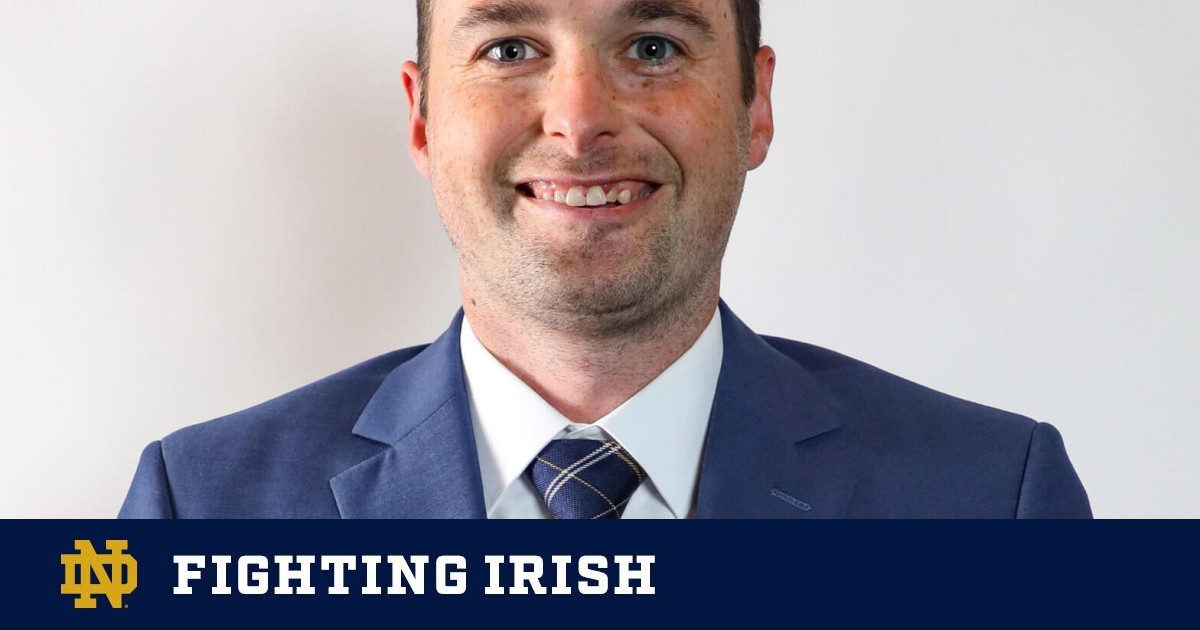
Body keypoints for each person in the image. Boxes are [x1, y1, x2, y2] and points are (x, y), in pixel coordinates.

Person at [119, 0, 1090, 519]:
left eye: (654, 46)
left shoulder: (989, 502)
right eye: (509, 48)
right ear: (421, 116)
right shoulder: (203, 510)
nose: (580, 120)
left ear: (755, 106)